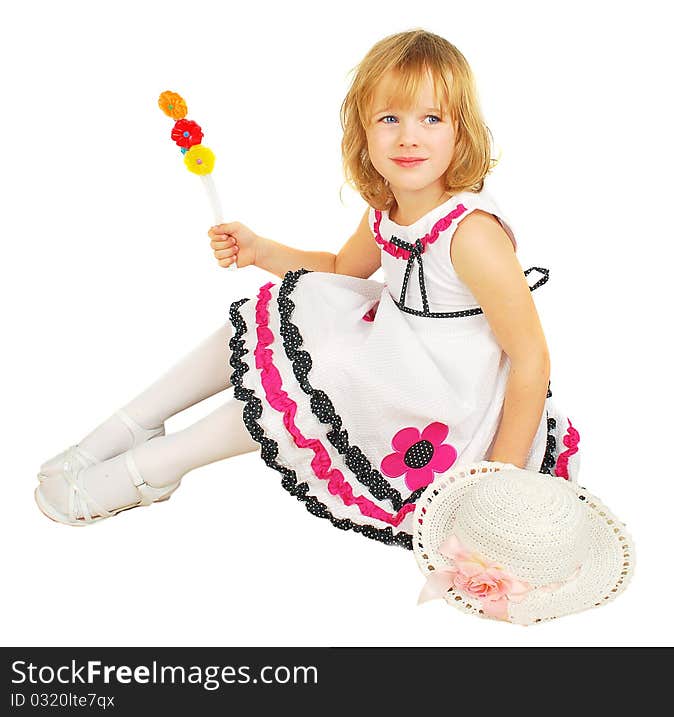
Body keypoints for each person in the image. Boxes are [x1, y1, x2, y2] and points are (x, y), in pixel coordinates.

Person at [34, 29, 581, 550]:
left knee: (325, 375)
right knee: (284, 313)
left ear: (460, 131)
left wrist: (497, 479)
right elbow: (343, 267)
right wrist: (260, 251)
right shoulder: (389, 209)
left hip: (455, 396)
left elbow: (531, 356)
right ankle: (132, 425)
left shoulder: (472, 234)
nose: (408, 136)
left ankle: (153, 469)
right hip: (402, 351)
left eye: (431, 118)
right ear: (363, 133)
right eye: (389, 118)